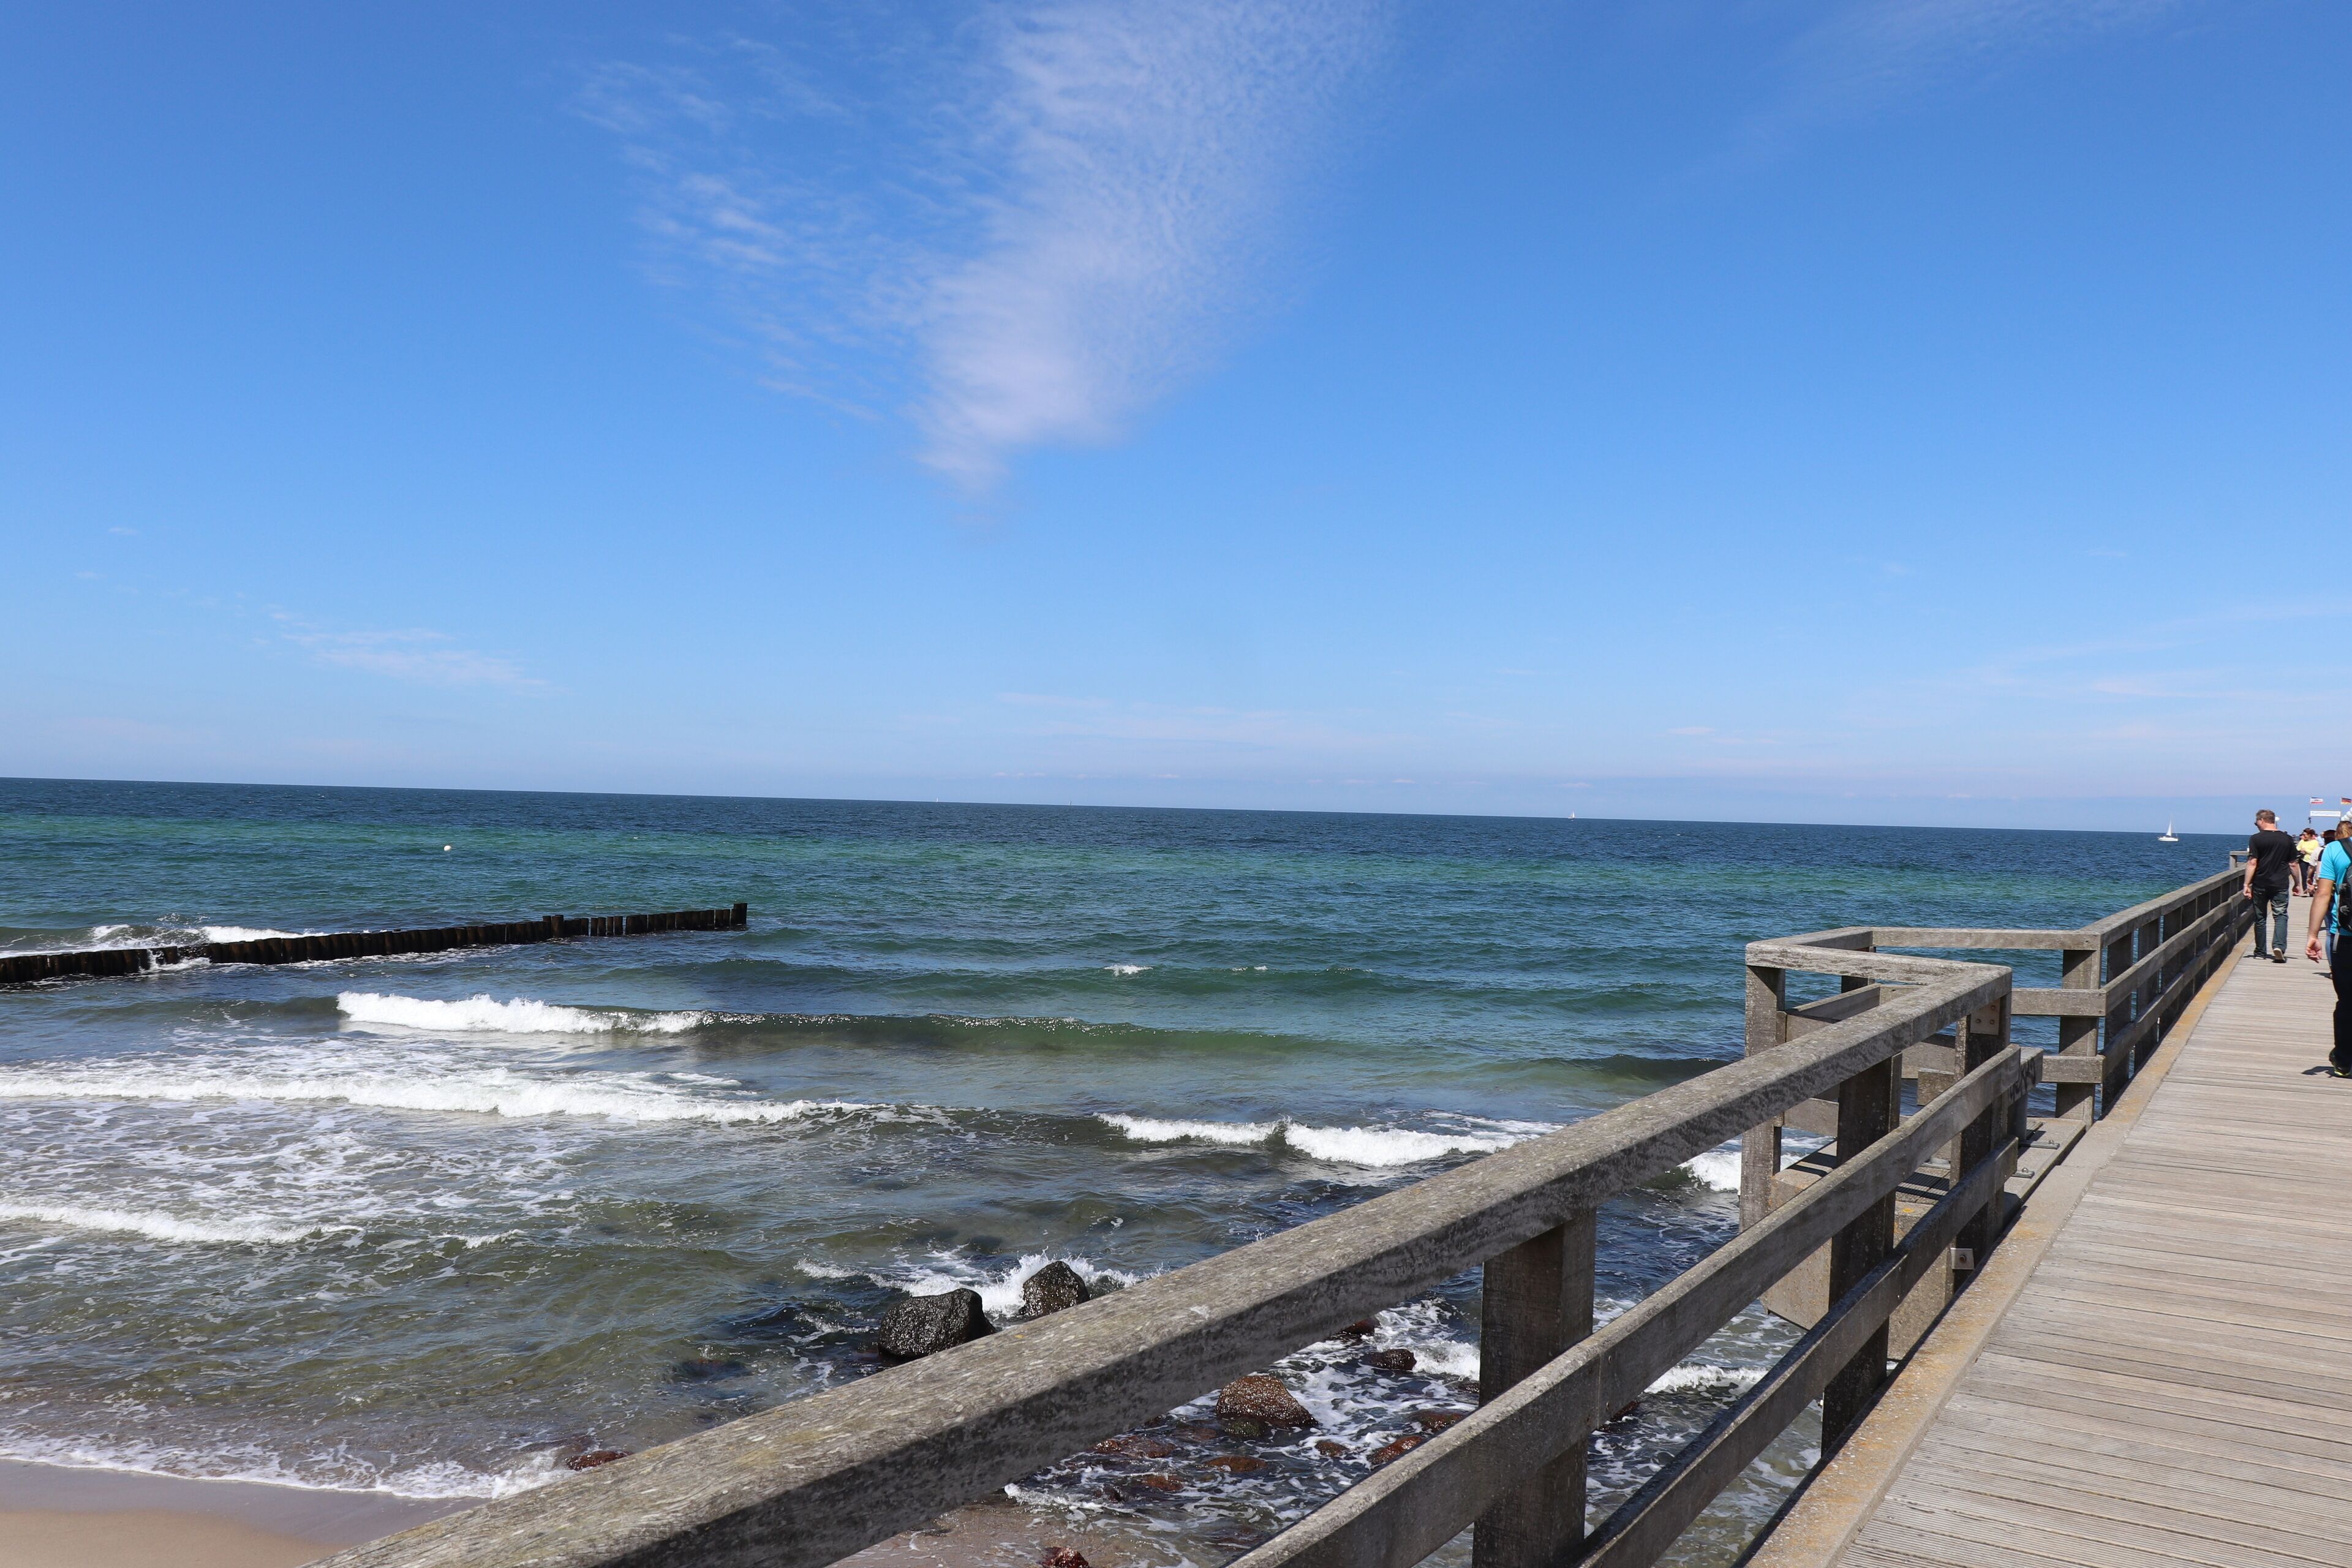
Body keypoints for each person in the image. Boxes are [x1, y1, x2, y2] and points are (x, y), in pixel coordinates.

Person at [2304, 827, 2352, 1077]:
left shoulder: (2335, 848)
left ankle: (2344, 1061)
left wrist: (2313, 935)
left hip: (2344, 936)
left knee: (2347, 1000)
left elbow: (2323, 893)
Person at [2243, 809, 2297, 962]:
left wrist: (2247, 884)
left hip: (2260, 883)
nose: (2256, 825)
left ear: (2261, 820)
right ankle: (2279, 946)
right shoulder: (2287, 839)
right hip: (2280, 883)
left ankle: (2260, 952)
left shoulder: (2256, 839)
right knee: (2280, 915)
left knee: (2260, 917)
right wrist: (2298, 884)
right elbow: (2293, 864)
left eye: (2256, 823)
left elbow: (2253, 862)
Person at [2297, 827, 2323, 895]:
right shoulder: (2302, 841)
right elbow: (2298, 848)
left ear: (2309, 835)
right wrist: (2301, 850)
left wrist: (2306, 851)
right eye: (2303, 835)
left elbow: (2315, 852)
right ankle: (2305, 890)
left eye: (2305, 835)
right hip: (2303, 860)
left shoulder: (2315, 842)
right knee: (2304, 875)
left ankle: (2311, 890)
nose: (2304, 836)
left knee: (2311, 876)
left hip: (2312, 861)